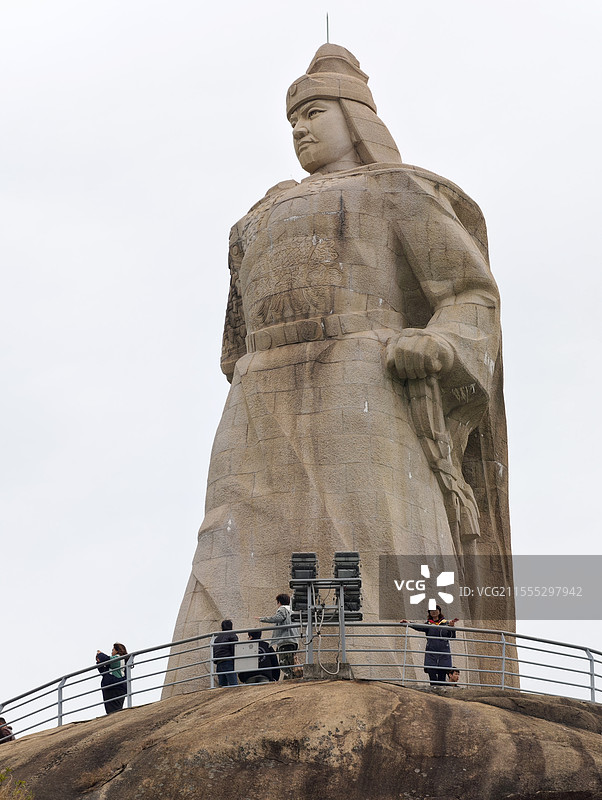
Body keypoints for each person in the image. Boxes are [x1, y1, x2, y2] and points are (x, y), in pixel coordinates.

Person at [167, 43, 513, 690]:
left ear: (353, 116)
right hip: (258, 393)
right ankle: (203, 680)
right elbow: (232, 343)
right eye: (291, 119)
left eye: (313, 112)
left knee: (385, 531)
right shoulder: (255, 218)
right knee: (224, 540)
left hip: (365, 379)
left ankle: (411, 668)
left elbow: (471, 291)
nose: (299, 128)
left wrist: (440, 343)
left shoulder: (396, 190)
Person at [401, 607, 458, 686]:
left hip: (443, 654)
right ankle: (434, 694)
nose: (433, 612)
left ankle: (440, 696)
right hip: (431, 653)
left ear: (439, 611)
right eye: (431, 611)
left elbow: (451, 637)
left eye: (435, 610)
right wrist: (409, 623)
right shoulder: (428, 624)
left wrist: (452, 627)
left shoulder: (446, 623)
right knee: (432, 676)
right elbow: (419, 626)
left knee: (442, 678)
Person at [259, 593, 300, 680]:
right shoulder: (292, 611)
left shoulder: (282, 609)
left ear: (279, 602)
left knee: (284, 664)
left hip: (285, 641)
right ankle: (292, 678)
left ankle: (290, 680)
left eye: (277, 603)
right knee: (291, 662)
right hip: (294, 640)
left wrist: (262, 619)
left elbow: (277, 618)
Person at [96, 642, 128, 714]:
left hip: (115, 687)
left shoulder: (118, 659)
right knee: (111, 711)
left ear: (117, 651)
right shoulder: (114, 663)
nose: (111, 652)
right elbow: (104, 672)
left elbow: (105, 659)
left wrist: (100, 654)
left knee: (115, 711)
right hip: (111, 687)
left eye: (113, 650)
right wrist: (98, 662)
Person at [212, 619, 238, 687]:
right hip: (228, 661)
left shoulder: (217, 638)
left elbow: (214, 651)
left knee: (222, 686)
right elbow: (234, 648)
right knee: (234, 685)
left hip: (219, 663)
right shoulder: (232, 635)